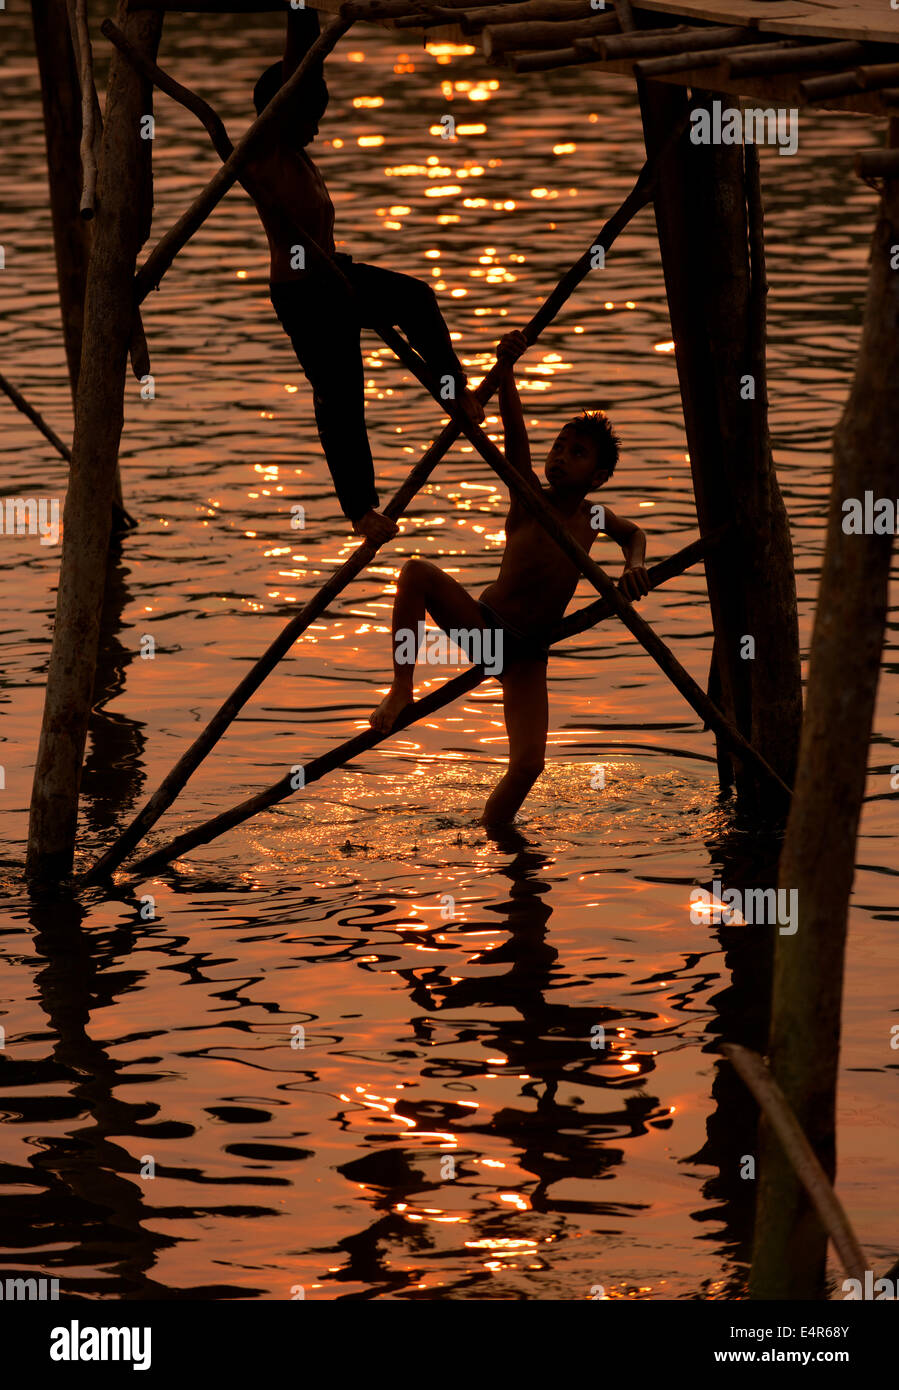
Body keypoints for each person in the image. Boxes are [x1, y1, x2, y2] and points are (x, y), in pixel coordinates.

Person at [369, 328, 651, 826]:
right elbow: (514, 435)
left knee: (528, 766)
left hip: (529, 656)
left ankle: (493, 834)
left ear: (598, 476)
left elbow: (635, 536)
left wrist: (634, 568)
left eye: (577, 452)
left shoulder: (593, 517)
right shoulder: (529, 498)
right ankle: (400, 687)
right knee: (414, 572)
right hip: (486, 627)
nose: (562, 455)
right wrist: (507, 372)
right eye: (560, 446)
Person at [243, 7, 484, 547]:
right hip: (302, 294)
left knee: (417, 299)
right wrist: (299, 10)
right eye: (312, 116)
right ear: (286, 111)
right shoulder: (265, 154)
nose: (318, 126)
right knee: (341, 395)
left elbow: (308, 79)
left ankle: (454, 389)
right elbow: (300, 69)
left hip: (334, 278)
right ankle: (360, 511)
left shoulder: (301, 159)